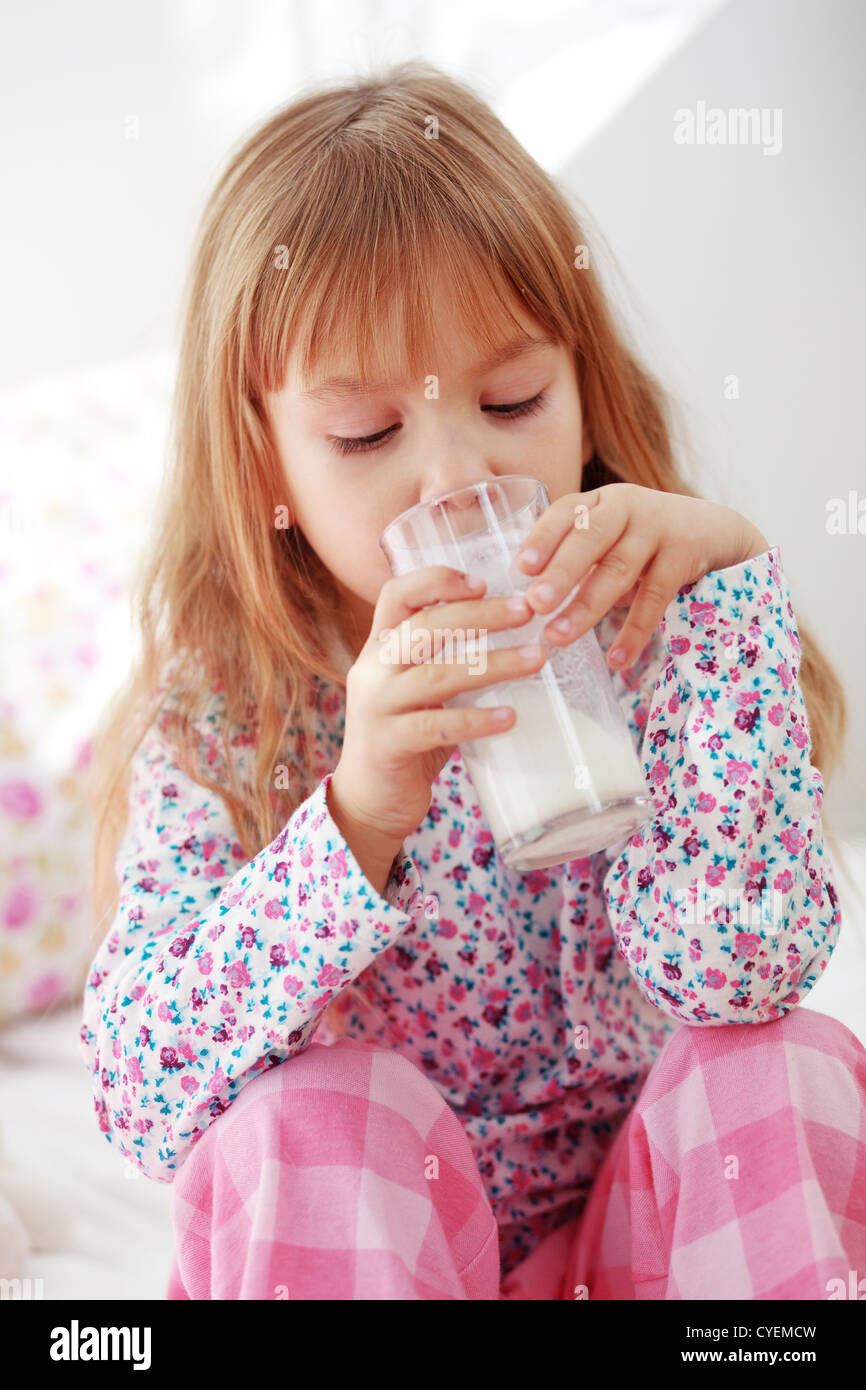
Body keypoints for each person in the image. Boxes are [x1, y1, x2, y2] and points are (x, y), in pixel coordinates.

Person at [79, 60, 864, 1300]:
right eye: (367, 434)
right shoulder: (231, 714)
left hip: (633, 1241)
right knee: (316, 1117)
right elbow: (140, 1091)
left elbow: (742, 974)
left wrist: (725, 608)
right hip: (375, 1253)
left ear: (579, 383)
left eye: (511, 399)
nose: (453, 477)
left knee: (775, 1061)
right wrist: (357, 816)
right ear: (266, 459)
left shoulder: (652, 628)